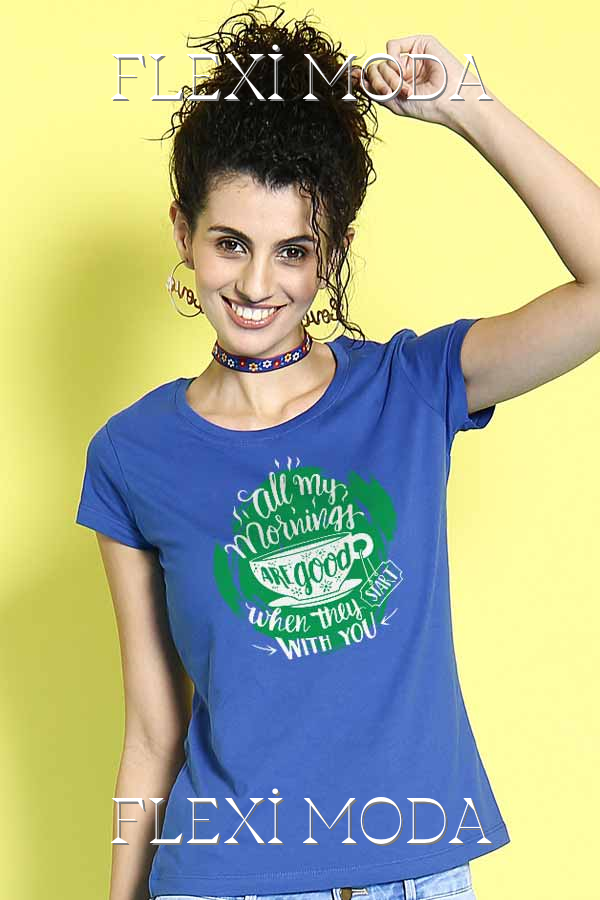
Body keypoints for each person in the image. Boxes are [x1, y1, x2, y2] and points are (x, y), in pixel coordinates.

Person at [75, 4, 600, 900]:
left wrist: (467, 106)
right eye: (230, 244)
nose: (256, 284)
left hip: (416, 873)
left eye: (293, 251)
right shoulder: (132, 454)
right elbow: (154, 733)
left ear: (333, 254)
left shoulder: (413, 388)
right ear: (183, 231)